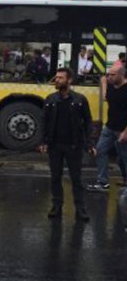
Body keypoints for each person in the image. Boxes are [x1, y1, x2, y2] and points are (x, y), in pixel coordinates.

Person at [39, 67, 93, 222]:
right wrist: (42, 141)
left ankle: (80, 208)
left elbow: (88, 122)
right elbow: (44, 121)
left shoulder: (80, 100)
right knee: (55, 176)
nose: (57, 80)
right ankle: (57, 205)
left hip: (73, 145)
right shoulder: (50, 100)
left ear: (69, 80)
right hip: (55, 145)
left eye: (61, 78)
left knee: (76, 178)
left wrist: (89, 142)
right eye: (56, 78)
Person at [88, 65, 127, 193]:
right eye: (108, 74)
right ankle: (103, 182)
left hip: (123, 129)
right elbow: (105, 96)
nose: (109, 77)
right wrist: (104, 82)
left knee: (122, 157)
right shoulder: (110, 85)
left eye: (113, 75)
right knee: (100, 150)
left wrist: (125, 132)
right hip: (109, 127)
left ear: (122, 75)